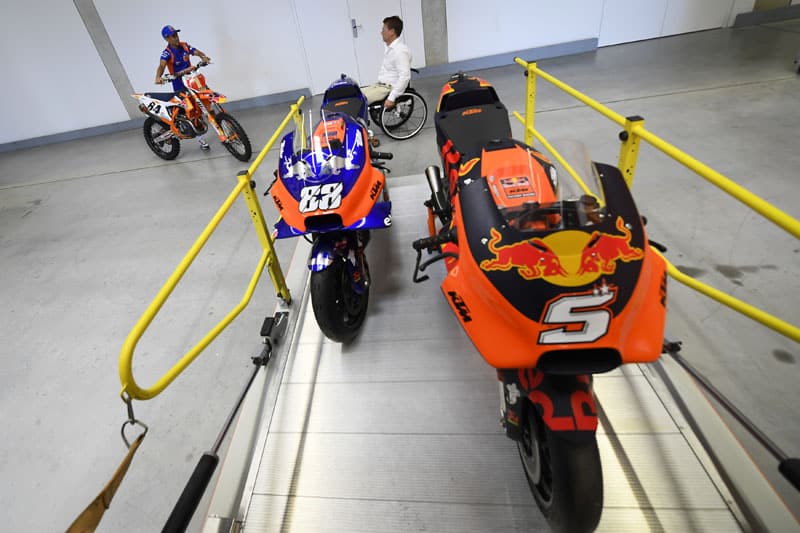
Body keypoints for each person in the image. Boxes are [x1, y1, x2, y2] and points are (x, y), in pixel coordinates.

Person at [154, 25, 212, 150]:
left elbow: (196, 52)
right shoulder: (167, 53)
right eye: (173, 36)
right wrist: (158, 77)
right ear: (167, 39)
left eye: (176, 35)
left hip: (192, 80)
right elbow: (162, 66)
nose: (176, 38)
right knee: (189, 111)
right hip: (180, 85)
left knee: (205, 100)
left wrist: (203, 57)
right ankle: (200, 139)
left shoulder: (184, 46)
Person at [361, 16, 411, 110]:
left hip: (388, 88)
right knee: (354, 93)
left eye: (383, 30)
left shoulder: (400, 51)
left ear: (392, 32)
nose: (381, 33)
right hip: (380, 85)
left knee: (357, 100)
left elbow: (405, 77)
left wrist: (392, 98)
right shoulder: (390, 48)